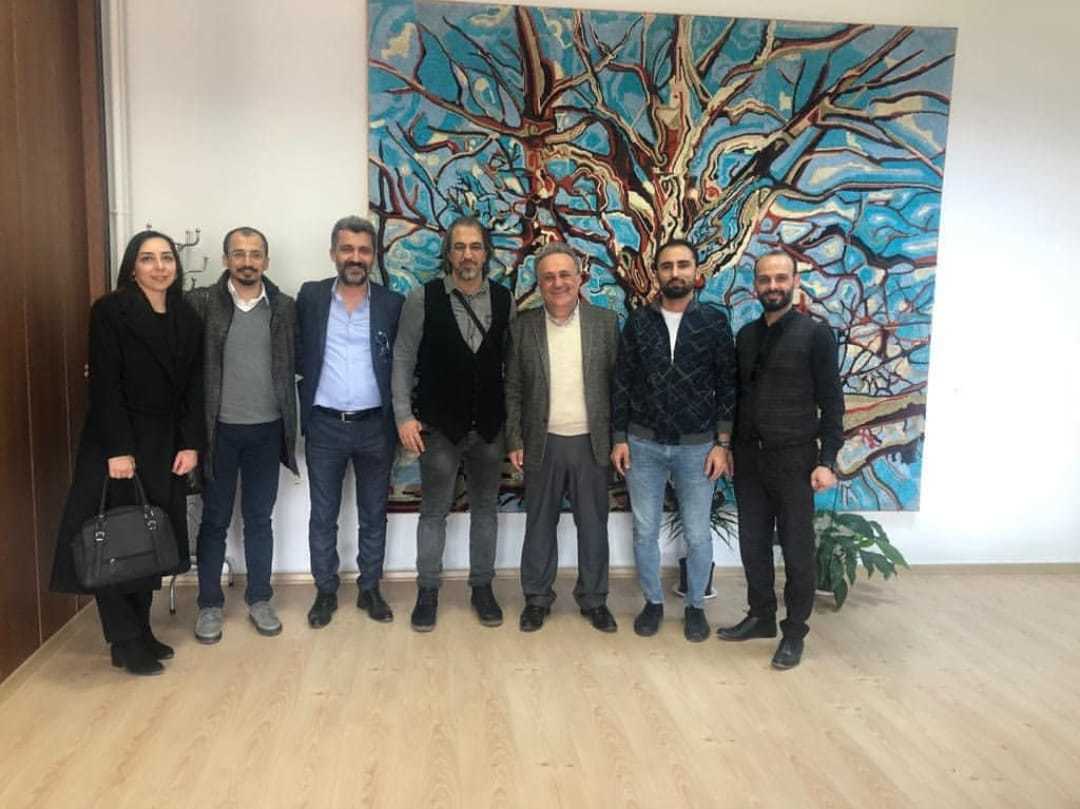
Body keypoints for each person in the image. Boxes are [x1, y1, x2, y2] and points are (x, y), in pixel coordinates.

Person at [50, 230, 204, 676]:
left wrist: (191, 443)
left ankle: (141, 630)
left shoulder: (186, 316)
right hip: (117, 442)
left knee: (149, 539)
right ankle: (123, 639)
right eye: (147, 258)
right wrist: (118, 450)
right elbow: (105, 384)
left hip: (166, 443)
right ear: (132, 268)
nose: (159, 266)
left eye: (166, 257)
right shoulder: (111, 311)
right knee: (115, 541)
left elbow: (194, 387)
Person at [718, 250, 844, 670]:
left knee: (796, 550)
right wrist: (727, 445)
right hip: (749, 461)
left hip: (795, 460)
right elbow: (737, 397)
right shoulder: (746, 336)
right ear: (756, 285)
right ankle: (761, 616)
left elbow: (832, 402)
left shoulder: (815, 335)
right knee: (753, 544)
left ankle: (794, 632)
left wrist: (828, 460)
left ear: (795, 283)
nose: (772, 286)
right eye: (765, 279)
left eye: (780, 278)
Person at [391, 215, 515, 632]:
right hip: (439, 428)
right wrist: (403, 416)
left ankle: (482, 588)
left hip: (490, 429)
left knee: (486, 511)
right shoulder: (422, 299)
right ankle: (427, 591)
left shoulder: (505, 300)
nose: (467, 255)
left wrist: (514, 426)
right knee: (433, 512)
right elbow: (403, 359)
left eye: (475, 246)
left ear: (486, 252)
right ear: (448, 253)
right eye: (459, 247)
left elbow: (512, 367)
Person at [611, 238, 736, 642]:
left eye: (683, 265)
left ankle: (695, 605)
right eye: (667, 266)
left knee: (697, 533)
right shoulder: (638, 322)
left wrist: (722, 444)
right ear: (656, 273)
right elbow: (622, 382)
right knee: (644, 531)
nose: (675, 272)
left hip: (698, 448)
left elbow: (727, 384)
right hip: (643, 445)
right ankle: (652, 602)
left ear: (696, 272)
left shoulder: (714, 321)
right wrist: (619, 437)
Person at [186, 226, 298, 643]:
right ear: (225, 260)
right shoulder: (200, 303)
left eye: (255, 254)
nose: (247, 262)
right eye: (239, 254)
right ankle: (209, 604)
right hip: (218, 433)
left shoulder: (284, 308)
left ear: (266, 261)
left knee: (259, 520)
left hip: (267, 431)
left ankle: (260, 599)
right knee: (214, 520)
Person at [504, 242, 619, 633]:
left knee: (593, 526)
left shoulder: (605, 323)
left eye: (565, 274)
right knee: (539, 525)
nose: (558, 283)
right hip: (542, 442)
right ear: (539, 283)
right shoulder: (523, 327)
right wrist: (515, 439)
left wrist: (619, 438)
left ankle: (594, 599)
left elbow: (618, 386)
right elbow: (513, 388)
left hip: (592, 442)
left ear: (579, 278)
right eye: (549, 277)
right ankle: (537, 599)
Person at [295, 216, 404, 628]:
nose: (355, 258)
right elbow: (296, 351)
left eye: (363, 250)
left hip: (376, 426)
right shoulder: (311, 297)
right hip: (324, 425)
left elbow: (401, 364)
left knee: (374, 513)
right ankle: (325, 590)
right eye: (347, 249)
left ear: (373, 256)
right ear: (333, 253)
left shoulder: (392, 304)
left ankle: (369, 588)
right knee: (323, 515)